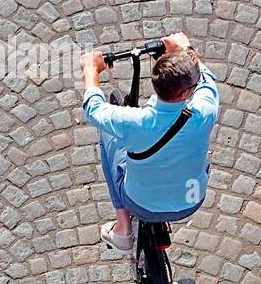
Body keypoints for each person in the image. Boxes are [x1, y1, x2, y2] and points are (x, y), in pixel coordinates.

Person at [81, 32, 218, 253]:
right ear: (185, 93)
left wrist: (91, 70)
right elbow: (207, 78)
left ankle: (123, 227)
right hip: (190, 199)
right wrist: (186, 48)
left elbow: (93, 109)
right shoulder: (205, 112)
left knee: (108, 137)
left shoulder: (133, 123)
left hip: (141, 202)